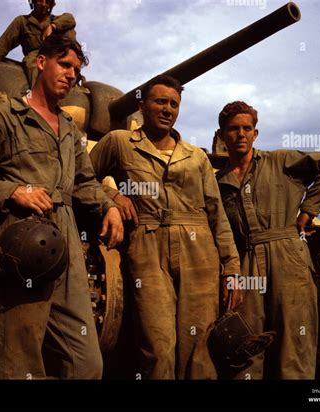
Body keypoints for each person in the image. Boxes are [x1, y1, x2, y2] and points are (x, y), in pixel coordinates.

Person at [0, 34, 123, 379]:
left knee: (86, 363)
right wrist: (13, 191)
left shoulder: (69, 130)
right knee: (14, 362)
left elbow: (84, 182)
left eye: (77, 69)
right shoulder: (5, 117)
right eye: (64, 64)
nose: (71, 74)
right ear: (41, 62)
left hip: (67, 245)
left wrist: (108, 206)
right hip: (21, 241)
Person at [89, 75, 241, 379]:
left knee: (200, 351)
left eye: (174, 103)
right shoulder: (120, 142)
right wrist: (112, 195)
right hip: (148, 248)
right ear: (142, 106)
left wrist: (232, 267)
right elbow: (81, 176)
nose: (167, 109)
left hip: (200, 252)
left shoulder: (196, 156)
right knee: (156, 347)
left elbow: (216, 214)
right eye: (160, 101)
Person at [215, 101, 320, 379]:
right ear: (222, 135)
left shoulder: (281, 162)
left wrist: (310, 209)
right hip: (246, 262)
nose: (240, 134)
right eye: (233, 129)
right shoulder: (218, 182)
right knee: (246, 348)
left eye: (246, 128)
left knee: (295, 347)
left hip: (288, 257)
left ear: (255, 133)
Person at [0, 0, 76, 86]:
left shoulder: (56, 20)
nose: (44, 4)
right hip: (34, 56)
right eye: (40, 0)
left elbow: (70, 18)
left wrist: (53, 26)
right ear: (33, 2)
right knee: (34, 65)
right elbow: (3, 44)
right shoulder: (22, 21)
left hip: (56, 55)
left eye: (47, 1)